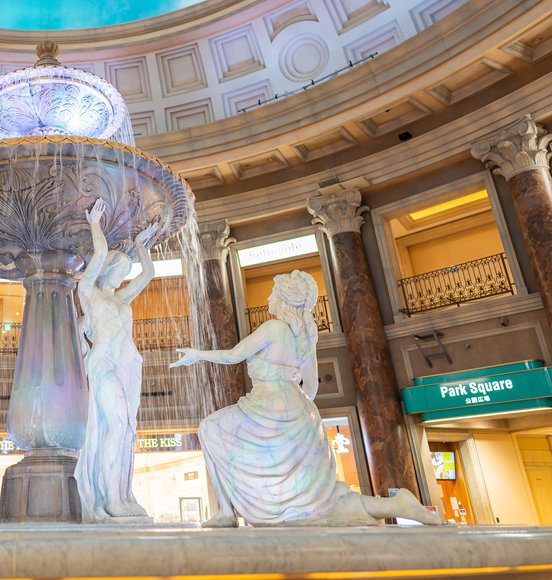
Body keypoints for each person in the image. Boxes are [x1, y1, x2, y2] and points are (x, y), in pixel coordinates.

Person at [170, 270, 442, 527]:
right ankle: (396, 506)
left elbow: (232, 356)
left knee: (209, 428)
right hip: (301, 411)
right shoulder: (307, 335)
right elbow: (310, 385)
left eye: (273, 292)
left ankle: (226, 512)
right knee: (322, 501)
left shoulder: (273, 328)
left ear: (285, 299)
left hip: (268, 405)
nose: (268, 298)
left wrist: (197, 354)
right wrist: (298, 416)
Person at [75, 197, 157, 523]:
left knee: (127, 431)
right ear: (108, 268)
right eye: (120, 269)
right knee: (117, 424)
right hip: (103, 364)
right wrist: (94, 224)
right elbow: (96, 254)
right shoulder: (88, 293)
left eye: (126, 271)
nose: (123, 276)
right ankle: (110, 499)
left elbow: (148, 274)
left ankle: (122, 494)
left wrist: (141, 245)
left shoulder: (122, 299)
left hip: (126, 365)